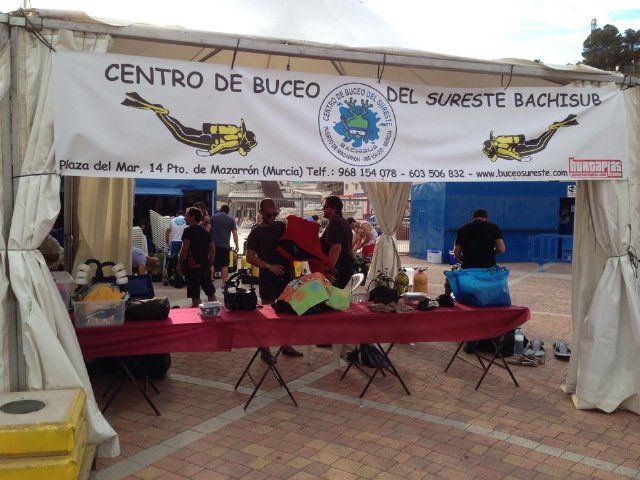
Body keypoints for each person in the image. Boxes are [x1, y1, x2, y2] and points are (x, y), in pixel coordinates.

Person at [246, 198, 303, 359]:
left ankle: (286, 345)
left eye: (274, 214)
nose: (272, 217)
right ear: (261, 213)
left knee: (286, 313)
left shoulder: (281, 226)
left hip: (286, 275)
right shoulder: (256, 233)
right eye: (269, 215)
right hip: (268, 277)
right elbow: (250, 257)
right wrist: (269, 266)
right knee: (267, 314)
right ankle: (265, 348)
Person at [176, 207, 216, 308]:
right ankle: (215, 310)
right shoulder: (205, 232)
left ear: (192, 217)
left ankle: (195, 313)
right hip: (204, 267)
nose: (184, 218)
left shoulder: (188, 231)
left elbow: (184, 249)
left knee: (195, 296)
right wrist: (209, 263)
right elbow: (213, 250)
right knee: (210, 292)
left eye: (186, 215)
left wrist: (179, 263)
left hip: (192, 268)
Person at [321, 196, 355, 289]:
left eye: (325, 206)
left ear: (334, 208)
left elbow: (336, 247)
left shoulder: (335, 222)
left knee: (330, 296)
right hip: (345, 265)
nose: (323, 209)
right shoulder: (343, 222)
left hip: (339, 267)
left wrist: (329, 270)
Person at [210, 204, 239, 283]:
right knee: (225, 265)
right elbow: (234, 234)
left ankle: (210, 280)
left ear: (220, 210)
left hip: (213, 246)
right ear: (228, 212)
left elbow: (207, 230)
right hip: (225, 246)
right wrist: (237, 245)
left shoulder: (213, 217)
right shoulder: (231, 220)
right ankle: (224, 283)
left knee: (212, 263)